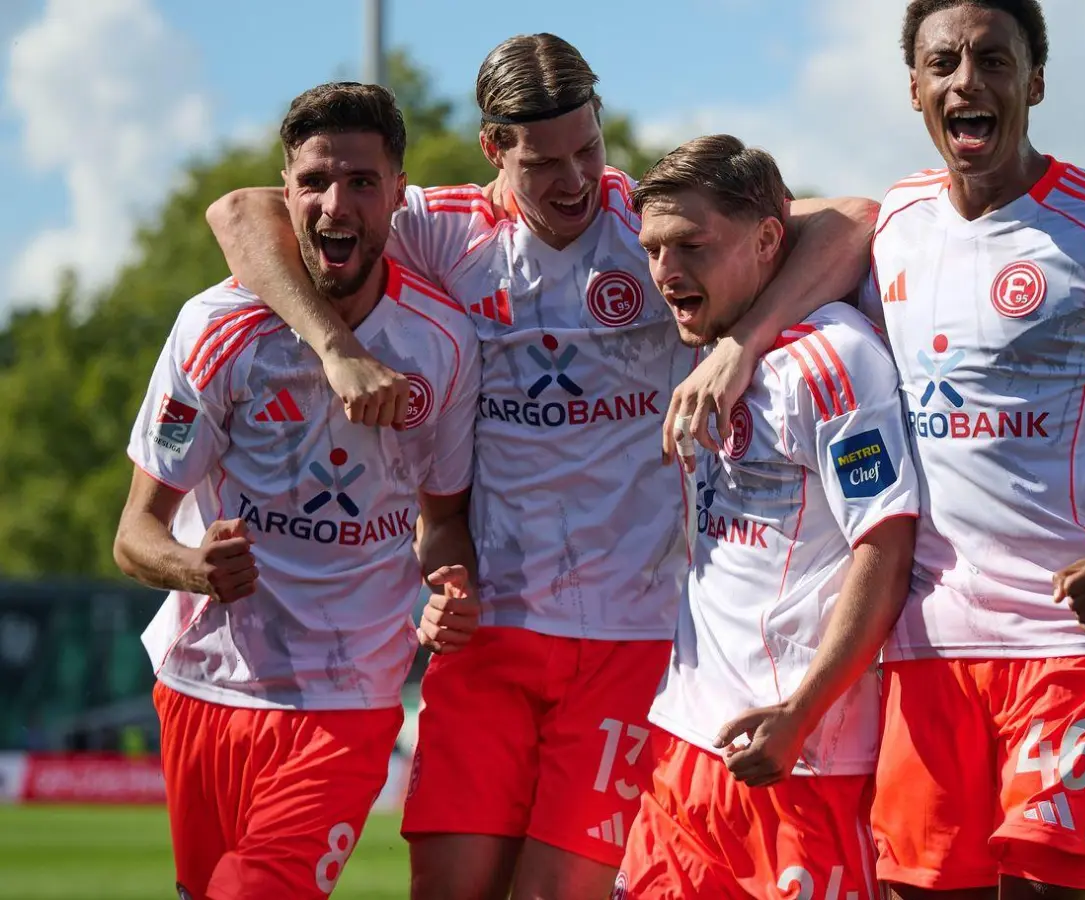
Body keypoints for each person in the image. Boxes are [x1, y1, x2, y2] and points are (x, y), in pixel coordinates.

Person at [205, 34, 877, 900]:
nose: (575, 181)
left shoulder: (651, 228)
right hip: (490, 632)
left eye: (588, 149)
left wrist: (738, 350)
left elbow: (853, 219)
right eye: (545, 161)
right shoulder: (442, 233)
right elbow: (239, 215)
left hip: (630, 642)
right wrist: (333, 346)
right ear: (493, 148)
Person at [849, 2, 1085, 897]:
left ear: (1036, 82)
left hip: (1075, 639)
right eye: (943, 64)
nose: (966, 82)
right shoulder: (889, 225)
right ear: (914, 88)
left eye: (993, 60)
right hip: (926, 647)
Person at [113, 82, 481, 900]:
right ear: (287, 190)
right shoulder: (216, 327)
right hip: (201, 683)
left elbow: (444, 520)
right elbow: (136, 533)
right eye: (313, 182)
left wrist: (448, 586)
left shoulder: (444, 342)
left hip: (347, 695)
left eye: (358, 182)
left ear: (396, 193)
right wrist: (195, 567)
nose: (333, 203)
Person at [614, 134, 918, 899]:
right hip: (685, 742)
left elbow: (885, 547)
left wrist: (801, 712)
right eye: (652, 248)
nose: (664, 272)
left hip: (801, 757)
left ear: (768, 240)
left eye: (691, 245)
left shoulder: (837, 361)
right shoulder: (707, 341)